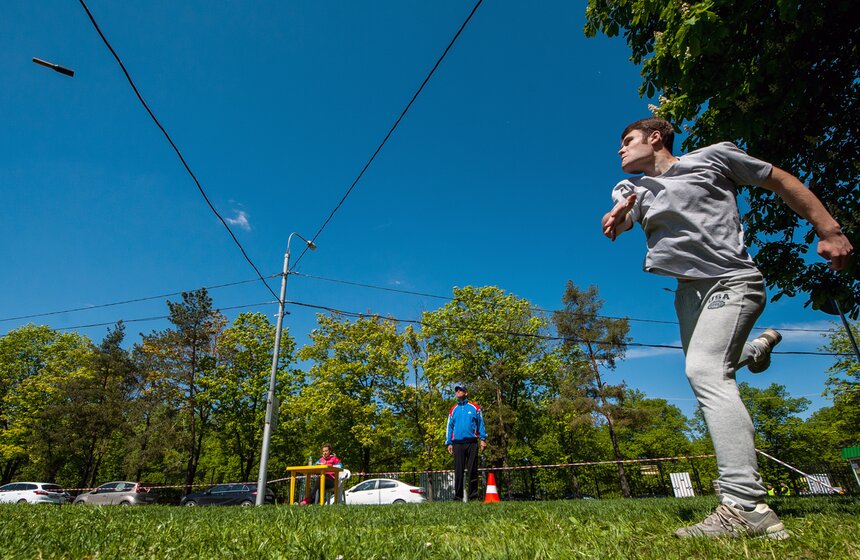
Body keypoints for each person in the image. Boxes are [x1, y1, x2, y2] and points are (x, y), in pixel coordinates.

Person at [602, 118, 853, 539]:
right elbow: (618, 218)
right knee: (714, 364)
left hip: (732, 281)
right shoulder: (631, 188)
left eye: (627, 141)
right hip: (687, 295)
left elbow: (781, 181)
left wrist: (828, 228)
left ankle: (745, 504)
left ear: (656, 137)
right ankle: (754, 351)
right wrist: (618, 216)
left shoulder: (712, 158)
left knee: (704, 371)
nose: (620, 150)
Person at [445, 383, 487, 502]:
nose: (458, 392)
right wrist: (449, 443)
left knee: (473, 470)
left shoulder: (474, 407)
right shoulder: (453, 409)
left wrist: (483, 439)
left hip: (472, 442)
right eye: (456, 390)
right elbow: (449, 427)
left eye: (460, 390)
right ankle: (458, 498)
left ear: (466, 392)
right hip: (457, 444)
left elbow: (481, 424)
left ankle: (473, 497)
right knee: (458, 471)